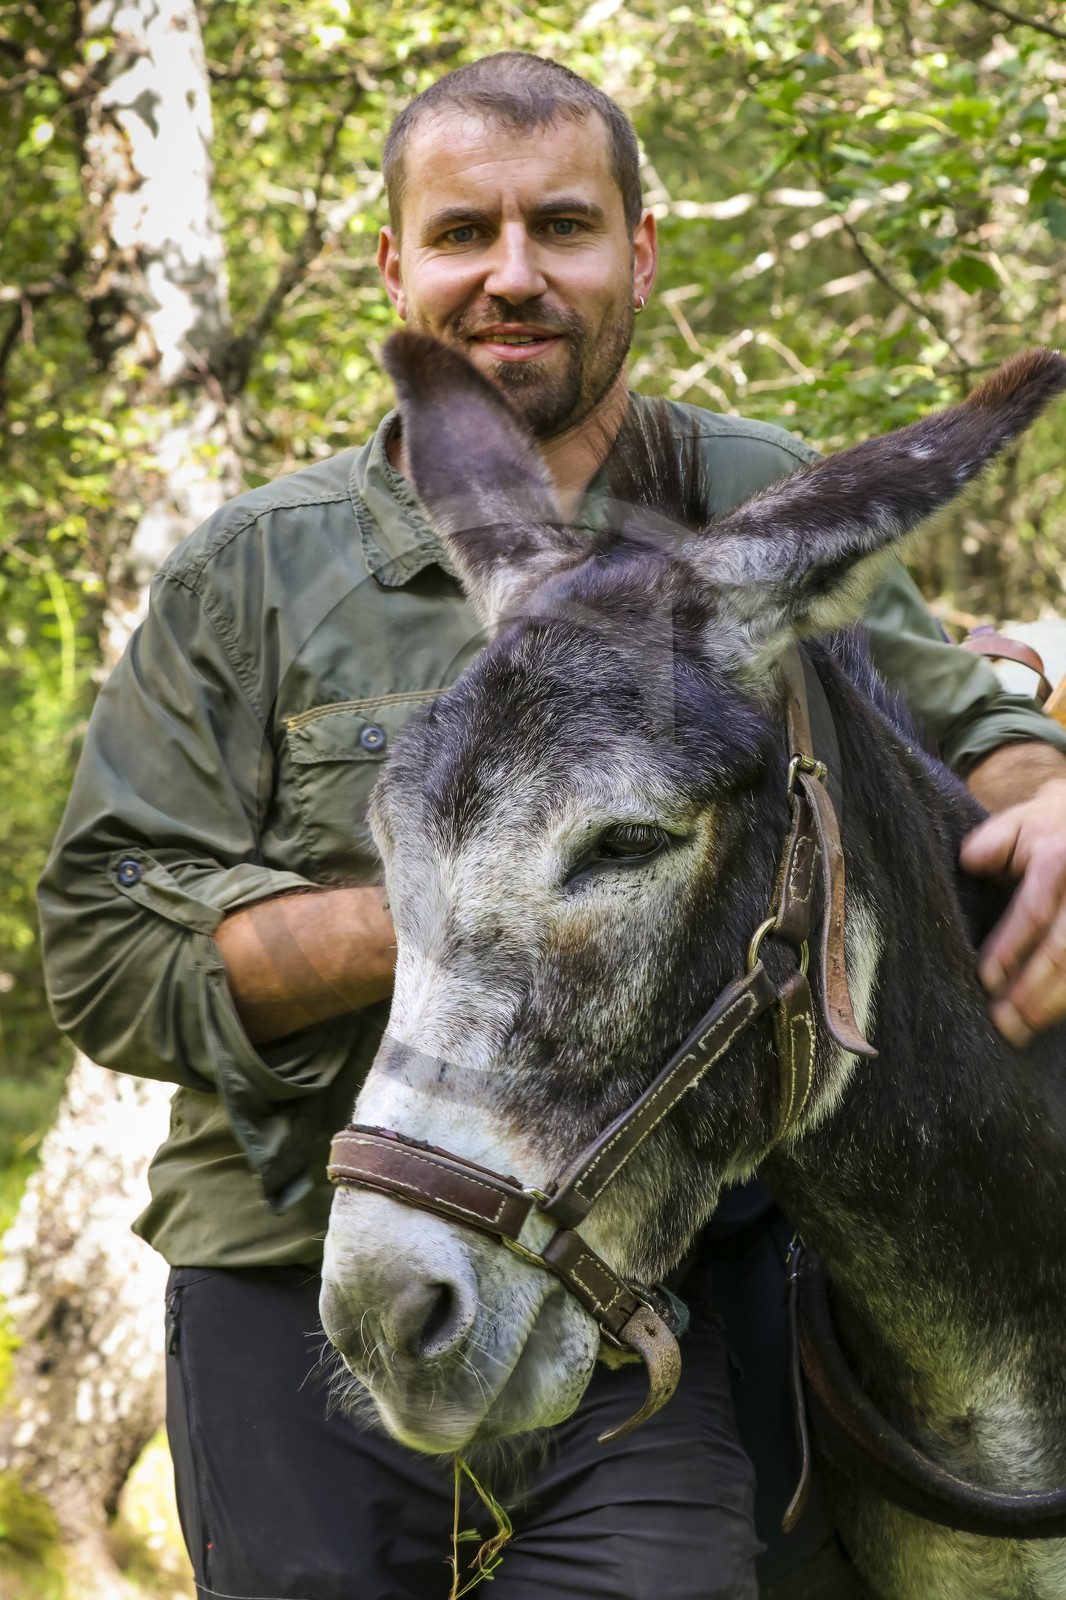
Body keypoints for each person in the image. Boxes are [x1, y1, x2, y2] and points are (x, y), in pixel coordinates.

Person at [38, 52, 1066, 1600]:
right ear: (394, 266)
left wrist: (1046, 799)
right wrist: (490, 899)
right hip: (290, 1257)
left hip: (649, 1285)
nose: (511, 276)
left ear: (637, 253)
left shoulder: (750, 494)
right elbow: (106, 952)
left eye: (562, 228)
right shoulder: (250, 574)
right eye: (462, 235)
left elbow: (960, 718)